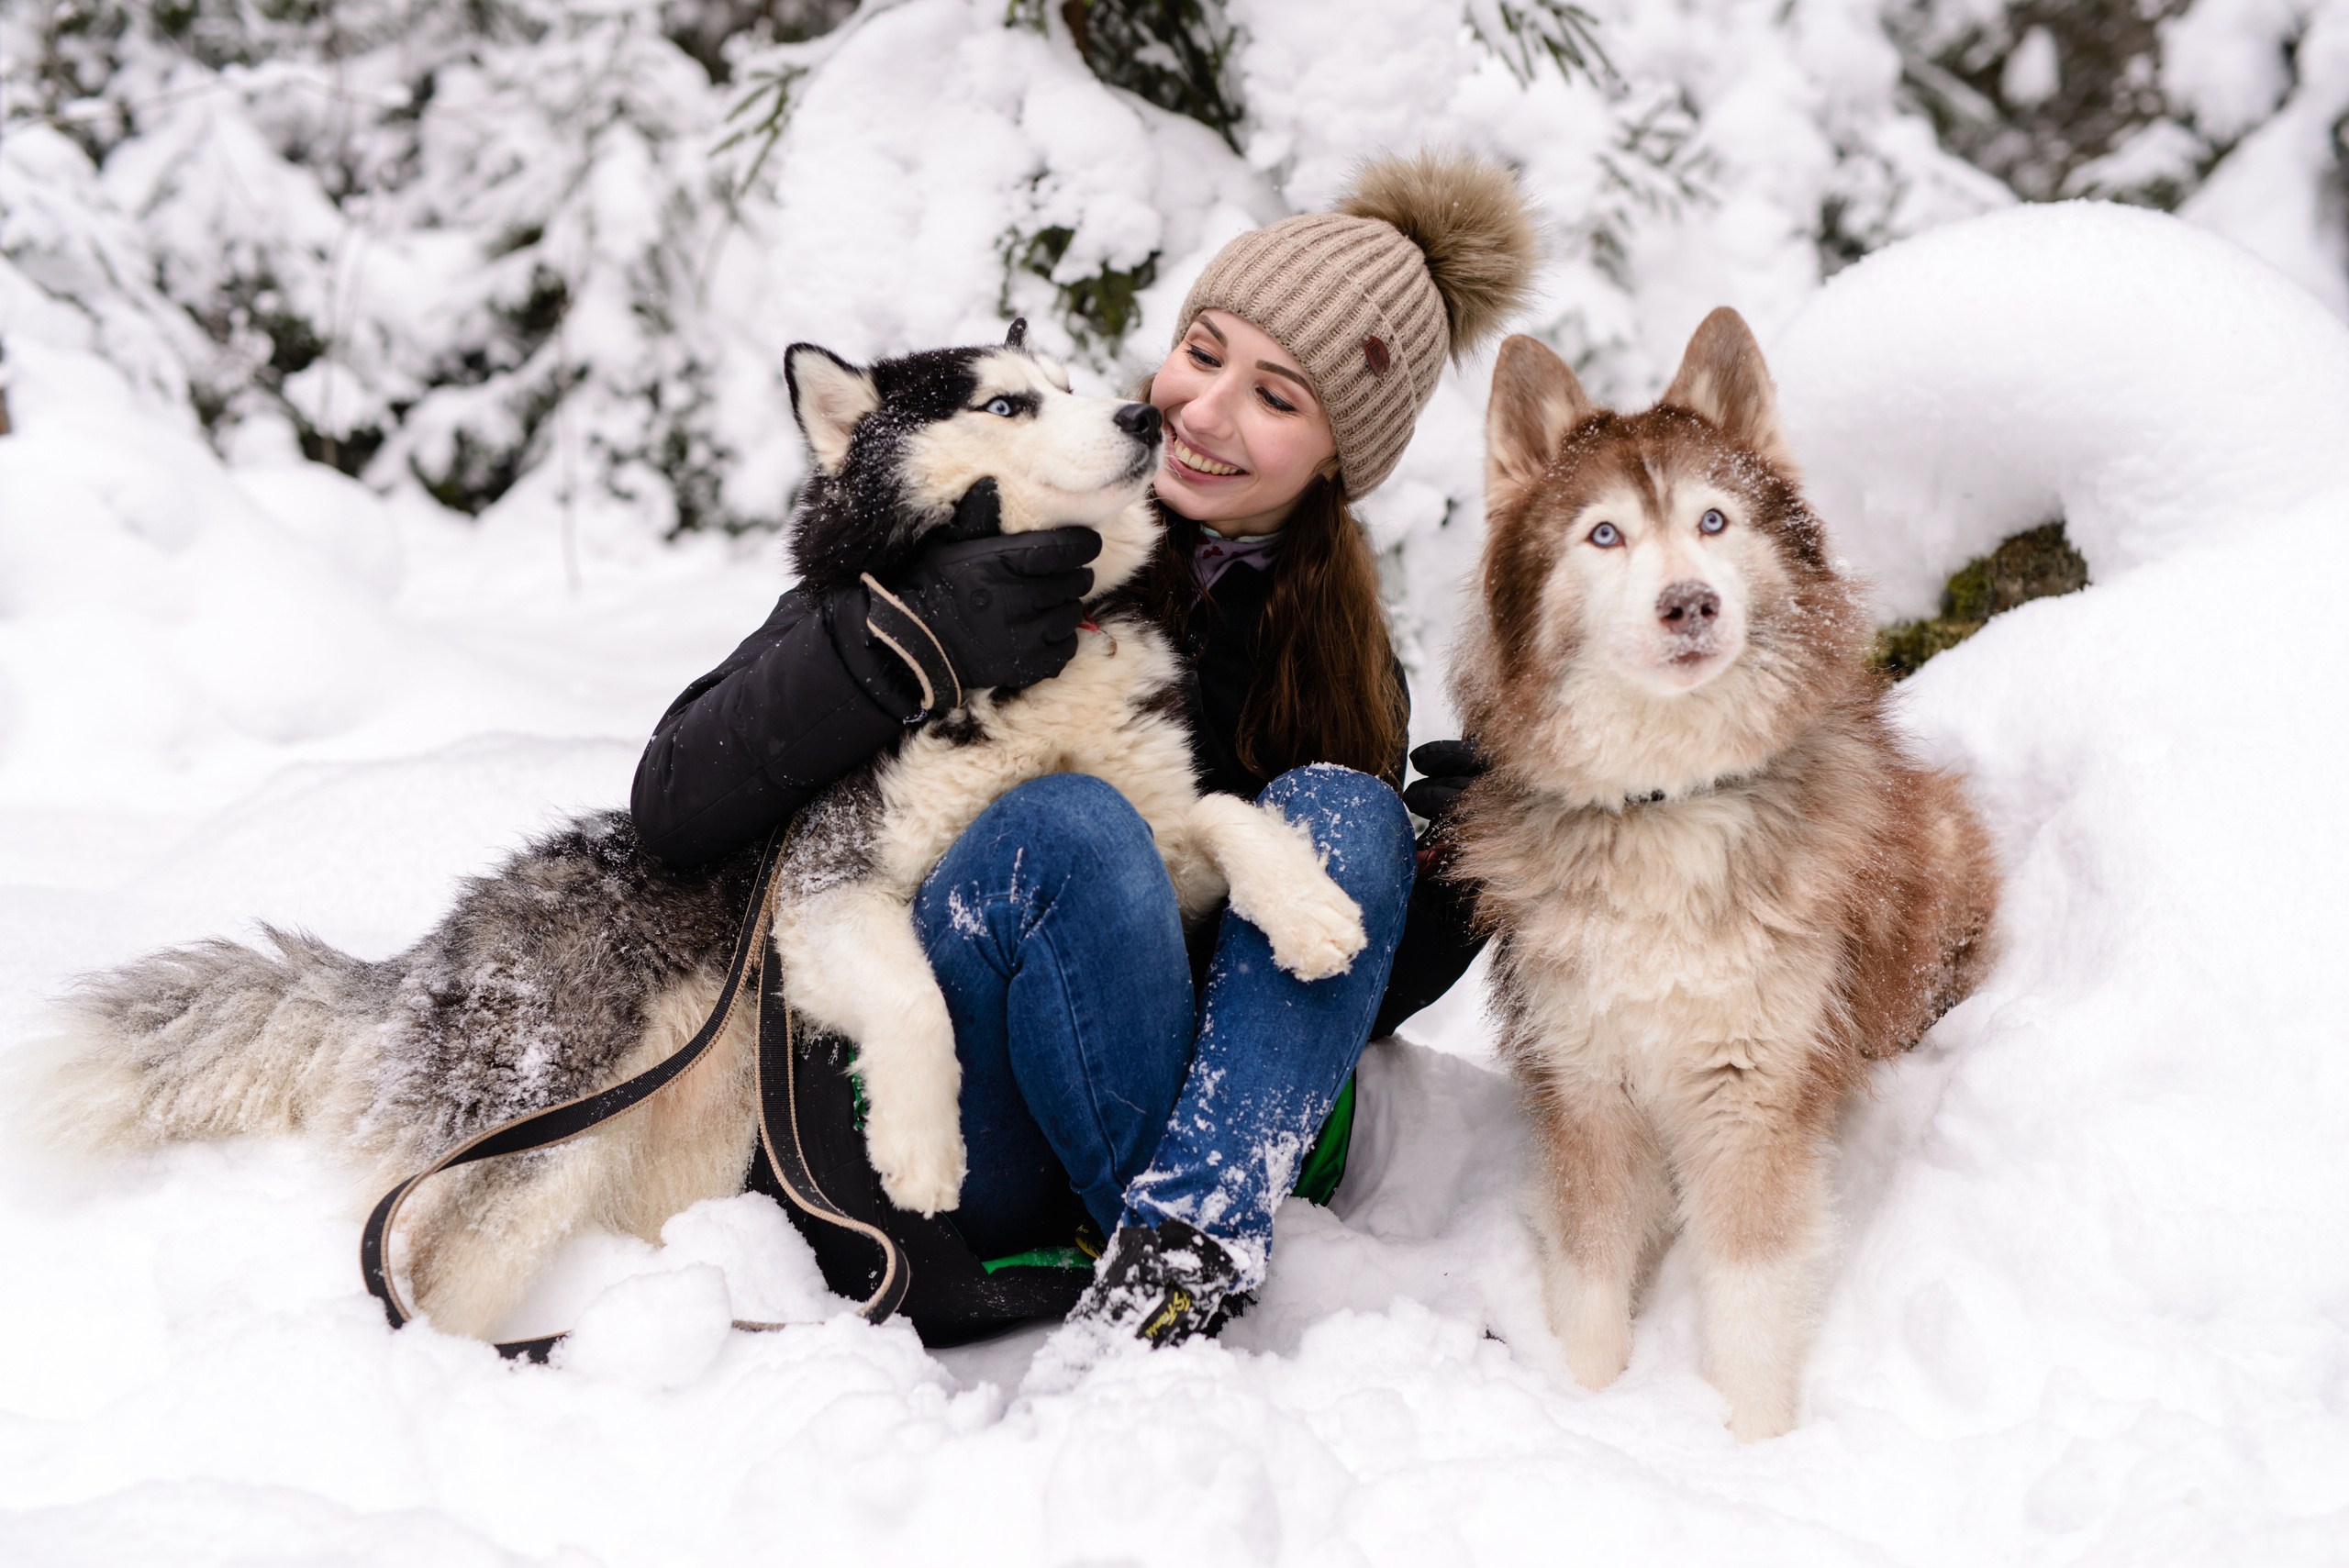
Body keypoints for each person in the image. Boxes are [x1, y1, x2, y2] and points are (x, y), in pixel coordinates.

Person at [631, 150, 1537, 1351]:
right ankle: (1179, 1244)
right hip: (968, 1110)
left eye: (1278, 397)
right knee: (1067, 823)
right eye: (1203, 353)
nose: (1205, 412)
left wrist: (1460, 880)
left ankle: (1184, 1251)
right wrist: (902, 640)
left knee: (1345, 814)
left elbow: (1314, 993)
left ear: (1340, 457)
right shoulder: (997, 496)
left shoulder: (1341, 656)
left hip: (1183, 1114)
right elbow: (676, 799)